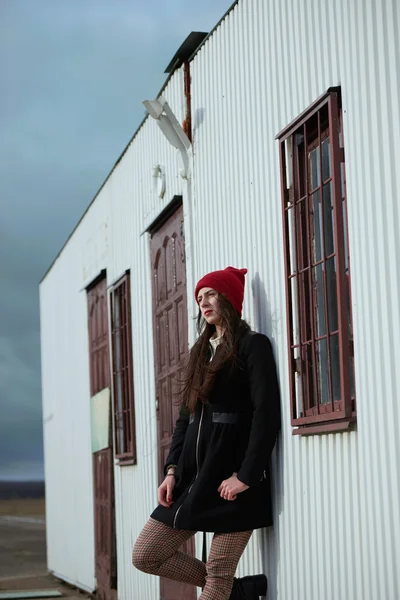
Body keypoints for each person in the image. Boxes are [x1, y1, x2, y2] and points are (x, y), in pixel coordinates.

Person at [133, 267, 281, 600]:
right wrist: (172, 470)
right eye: (200, 297)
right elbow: (185, 419)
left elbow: (266, 414)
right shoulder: (201, 353)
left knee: (217, 574)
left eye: (211, 294)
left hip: (233, 483)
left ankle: (225, 585)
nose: (204, 302)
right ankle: (238, 590)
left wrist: (246, 476)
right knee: (145, 553)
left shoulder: (252, 346)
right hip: (193, 481)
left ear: (230, 298)